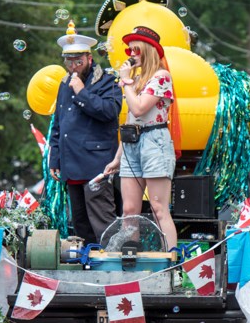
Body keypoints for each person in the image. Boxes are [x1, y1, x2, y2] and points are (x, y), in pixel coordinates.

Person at [49, 21, 122, 246]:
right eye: (68, 61)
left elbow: (110, 112)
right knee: (79, 223)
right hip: (71, 165)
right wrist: (55, 157)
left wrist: (81, 92)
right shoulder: (64, 84)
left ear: (89, 59)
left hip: (96, 164)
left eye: (78, 61)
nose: (73, 67)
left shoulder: (107, 81)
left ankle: (111, 266)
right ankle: (87, 265)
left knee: (102, 221)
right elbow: (59, 123)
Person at [106, 26, 179, 248]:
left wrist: (126, 82)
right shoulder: (136, 81)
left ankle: (171, 261)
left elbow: (139, 109)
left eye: (135, 50)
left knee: (158, 209)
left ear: (147, 50)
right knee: (129, 210)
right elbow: (130, 120)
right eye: (129, 51)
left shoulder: (161, 76)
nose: (131, 55)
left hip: (154, 142)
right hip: (131, 144)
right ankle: (131, 260)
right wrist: (118, 157)